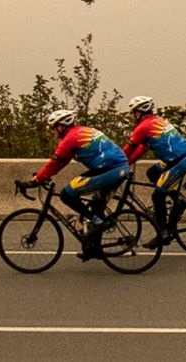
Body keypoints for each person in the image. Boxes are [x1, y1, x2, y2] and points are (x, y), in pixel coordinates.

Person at [25, 108, 130, 260]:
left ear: (61, 126)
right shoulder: (80, 132)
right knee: (96, 205)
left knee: (67, 194)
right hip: (115, 168)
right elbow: (63, 161)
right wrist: (42, 176)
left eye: (53, 128)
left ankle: (96, 224)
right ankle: (94, 249)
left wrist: (36, 181)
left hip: (111, 169)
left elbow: (55, 162)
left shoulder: (70, 138)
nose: (53, 132)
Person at [122, 96, 186, 245]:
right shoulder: (156, 121)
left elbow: (127, 149)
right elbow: (143, 148)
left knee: (158, 196)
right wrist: (127, 163)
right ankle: (177, 200)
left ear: (139, 113)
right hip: (184, 157)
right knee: (152, 173)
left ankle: (163, 233)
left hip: (181, 161)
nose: (130, 116)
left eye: (132, 113)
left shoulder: (143, 127)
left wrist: (117, 163)